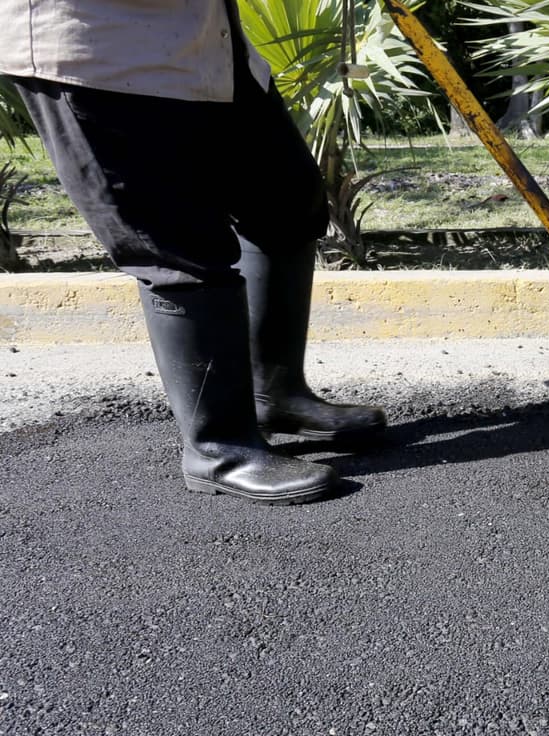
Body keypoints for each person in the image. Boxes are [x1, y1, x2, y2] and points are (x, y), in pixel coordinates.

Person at [0, 0, 386, 505]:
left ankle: (276, 396)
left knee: (286, 203)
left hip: (210, 43)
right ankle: (219, 447)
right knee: (174, 245)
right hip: (100, 51)